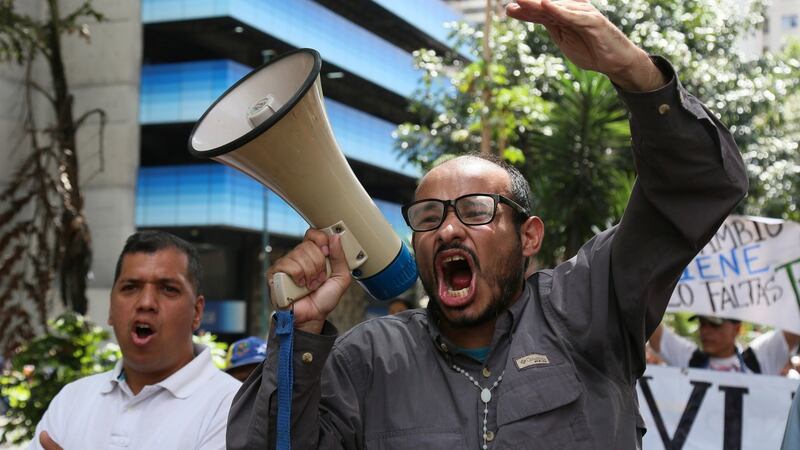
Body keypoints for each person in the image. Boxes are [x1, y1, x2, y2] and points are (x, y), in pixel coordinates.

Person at [226, 1, 749, 449]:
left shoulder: (590, 308)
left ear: (529, 236)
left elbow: (695, 188)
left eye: (475, 211)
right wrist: (304, 332)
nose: (449, 230)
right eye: (429, 217)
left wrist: (635, 72)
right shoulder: (368, 358)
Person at [30, 231, 241, 450]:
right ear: (111, 308)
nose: (146, 302)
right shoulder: (72, 400)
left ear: (197, 312)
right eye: (130, 287)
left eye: (168, 289)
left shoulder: (232, 406)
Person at [648, 316, 800, 375]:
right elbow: (652, 327)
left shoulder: (758, 359)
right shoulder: (690, 358)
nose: (705, 331)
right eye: (702, 323)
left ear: (737, 329)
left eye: (715, 325)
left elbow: (795, 325)